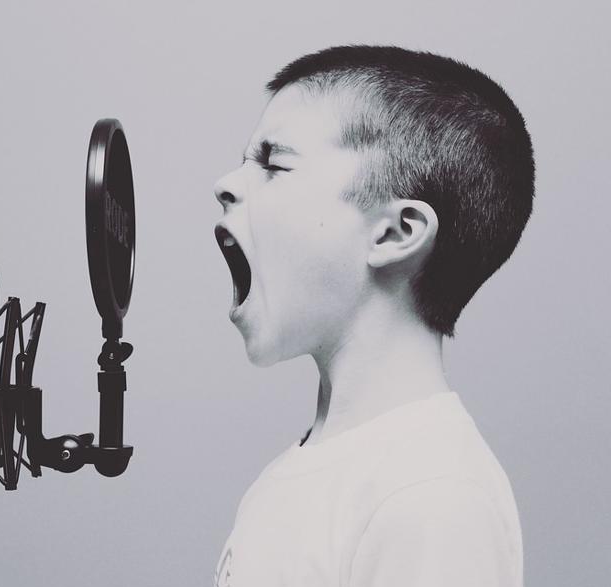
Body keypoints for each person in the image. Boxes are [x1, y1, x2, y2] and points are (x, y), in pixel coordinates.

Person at [212, 45, 533, 587]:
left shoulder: (430, 497)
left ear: (395, 233)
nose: (226, 184)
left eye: (273, 163)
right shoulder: (306, 471)